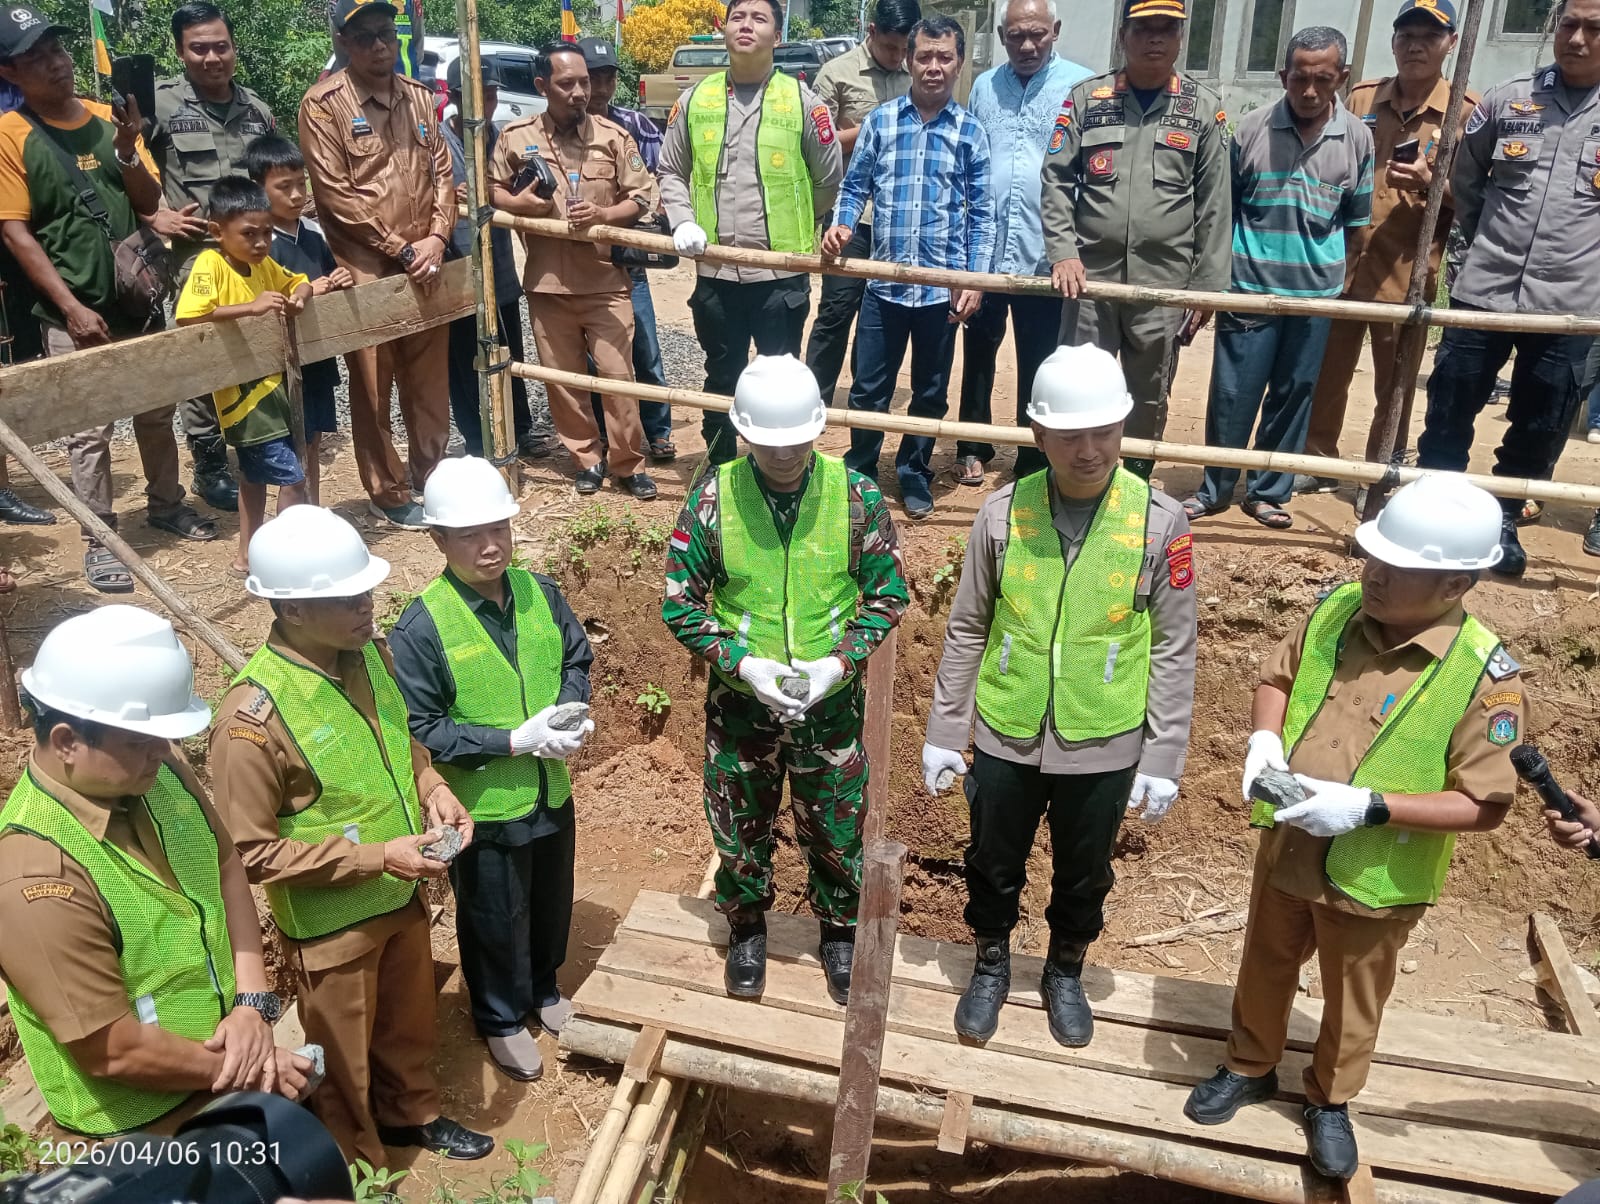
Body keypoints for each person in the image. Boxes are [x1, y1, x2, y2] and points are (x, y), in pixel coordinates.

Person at [1183, 474, 1524, 1181]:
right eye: (1372, 558)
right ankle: (1249, 1064)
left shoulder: (1484, 677)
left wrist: (1370, 806)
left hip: (1377, 870)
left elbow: (1486, 804)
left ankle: (1330, 1099)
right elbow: (1277, 679)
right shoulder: (1338, 609)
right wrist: (1264, 740)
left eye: (1396, 568)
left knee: (1354, 992)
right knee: (1266, 960)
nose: (1373, 575)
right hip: (1293, 837)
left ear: (1455, 584)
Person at [922, 344, 1196, 1048]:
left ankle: (1065, 970)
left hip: (1104, 736)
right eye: (1070, 435)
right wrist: (946, 730)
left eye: (1104, 431)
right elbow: (968, 627)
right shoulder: (1001, 515)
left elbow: (1173, 645)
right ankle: (991, 963)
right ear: (1039, 435)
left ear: (1124, 427)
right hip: (1006, 727)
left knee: (1084, 872)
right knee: (992, 862)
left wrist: (1163, 754)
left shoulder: (1159, 522)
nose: (1089, 450)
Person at [210, 505, 493, 1165]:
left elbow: (399, 741)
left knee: (407, 1023)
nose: (368, 606)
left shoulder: (369, 655)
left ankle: (412, 1113)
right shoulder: (252, 720)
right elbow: (253, 852)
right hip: (332, 925)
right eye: (348, 598)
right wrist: (377, 857)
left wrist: (432, 786)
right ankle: (357, 1163)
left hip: (400, 892)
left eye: (366, 590)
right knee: (342, 1064)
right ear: (293, 609)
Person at [0, 606, 312, 1138]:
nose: (161, 752)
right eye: (139, 742)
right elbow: (111, 1049)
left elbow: (225, 866)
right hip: (140, 1126)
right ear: (68, 742)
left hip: (226, 1069)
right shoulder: (34, 875)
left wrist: (251, 1003)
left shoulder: (159, 771)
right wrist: (251, 1067)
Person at [662, 355, 908, 1003]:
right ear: (743, 432)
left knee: (835, 826)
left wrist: (837, 664)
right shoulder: (713, 499)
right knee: (739, 822)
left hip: (830, 708)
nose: (783, 453)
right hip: (742, 709)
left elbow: (886, 596)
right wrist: (744, 664)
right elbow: (680, 603)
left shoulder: (856, 498)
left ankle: (838, 933)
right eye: (767, 442)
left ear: (819, 428)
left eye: (796, 439)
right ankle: (747, 927)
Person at [0, 6, 220, 595]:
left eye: (58, 50)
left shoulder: (108, 118)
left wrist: (126, 148)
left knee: (155, 411)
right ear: (10, 72)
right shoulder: (9, 136)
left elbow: (147, 203)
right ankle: (100, 538)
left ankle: (167, 504)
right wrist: (70, 308)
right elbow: (16, 233)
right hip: (71, 310)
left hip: (135, 297)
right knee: (89, 431)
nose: (57, 63)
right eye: (37, 57)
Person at [390, 457, 594, 1083]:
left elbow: (576, 658)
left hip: (550, 790)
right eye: (470, 535)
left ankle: (544, 987)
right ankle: (501, 1016)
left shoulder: (539, 593)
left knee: (551, 897)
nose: (490, 547)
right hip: (482, 806)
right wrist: (512, 740)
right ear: (438, 540)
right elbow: (423, 726)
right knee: (493, 914)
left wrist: (567, 713)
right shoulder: (422, 626)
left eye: (499, 529)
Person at [1416, 0, 1600, 575]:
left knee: (1541, 422)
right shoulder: (1508, 99)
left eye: (1594, 29)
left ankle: (1503, 519)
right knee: (1449, 404)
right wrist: (1489, 239)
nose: (1577, 39)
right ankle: (1438, 510)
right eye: (1568, 25)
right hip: (1486, 289)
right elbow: (1466, 178)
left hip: (1571, 304)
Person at [1185, 27, 1374, 531]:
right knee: (1232, 394)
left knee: (1294, 394)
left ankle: (1268, 491)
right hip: (1249, 288)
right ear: (1282, 75)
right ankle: (1215, 489)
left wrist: (1337, 285)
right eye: (1299, 79)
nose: (1309, 91)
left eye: (1322, 80)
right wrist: (1216, 282)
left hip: (1315, 297)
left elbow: (1357, 225)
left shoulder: (1358, 138)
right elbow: (1223, 213)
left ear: (1342, 78)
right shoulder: (1250, 130)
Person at [1041, 0, 1230, 481]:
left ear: (1181, 38)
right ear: (1123, 35)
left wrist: (1206, 286)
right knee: (1082, 384)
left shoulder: (1202, 108)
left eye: (1167, 28)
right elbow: (1056, 179)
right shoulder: (1088, 99)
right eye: (1144, 28)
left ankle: (1136, 481)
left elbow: (1214, 202)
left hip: (1162, 284)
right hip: (1090, 282)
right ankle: (1078, 483)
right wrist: (1063, 252)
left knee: (1149, 392)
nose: (1155, 38)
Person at [1299, 0, 1476, 491]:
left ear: (1451, 43)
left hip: (1406, 274)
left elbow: (1476, 200)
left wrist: (1430, 183)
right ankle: (1319, 464)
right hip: (1343, 264)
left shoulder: (1465, 111)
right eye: (1406, 36)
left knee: (1394, 383)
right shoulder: (1361, 99)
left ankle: (1381, 473)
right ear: (1393, 42)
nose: (1415, 46)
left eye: (1429, 36)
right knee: (1327, 374)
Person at [659, 0, 843, 465]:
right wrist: (682, 219)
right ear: (724, 29)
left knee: (780, 381)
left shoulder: (804, 104)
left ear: (777, 37)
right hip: (717, 274)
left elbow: (827, 181)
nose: (746, 26)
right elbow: (671, 170)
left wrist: (797, 224)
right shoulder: (695, 100)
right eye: (738, 17)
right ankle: (721, 468)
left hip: (780, 277)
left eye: (759, 19)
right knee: (721, 377)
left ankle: (781, 470)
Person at [826, 15, 992, 521]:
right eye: (924, 57)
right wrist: (842, 224)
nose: (933, 67)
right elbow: (854, 187)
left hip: (940, 293)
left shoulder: (970, 132)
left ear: (958, 64)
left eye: (944, 57)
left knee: (930, 391)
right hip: (884, 287)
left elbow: (983, 214)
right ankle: (861, 470)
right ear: (910, 60)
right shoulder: (881, 122)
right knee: (868, 387)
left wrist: (973, 279)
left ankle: (914, 471)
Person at [300, 0, 454, 530]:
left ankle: (432, 477)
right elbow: (335, 194)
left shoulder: (419, 97)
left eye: (386, 33)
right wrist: (402, 249)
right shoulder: (324, 106)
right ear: (343, 42)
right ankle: (387, 490)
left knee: (429, 379)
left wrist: (437, 238)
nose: (379, 45)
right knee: (373, 383)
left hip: (427, 261)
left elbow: (443, 174)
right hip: (366, 265)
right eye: (364, 36)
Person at [490, 42, 658, 500]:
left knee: (617, 377)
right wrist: (517, 203)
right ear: (542, 86)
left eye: (584, 82)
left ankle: (629, 464)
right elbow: (490, 189)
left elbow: (643, 196)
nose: (580, 92)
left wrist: (604, 215)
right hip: (547, 285)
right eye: (567, 84)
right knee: (563, 381)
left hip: (605, 283)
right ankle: (587, 460)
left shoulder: (613, 136)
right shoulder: (515, 137)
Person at [955, 0, 1091, 487]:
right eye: (1016, 36)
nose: (1027, 45)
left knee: (1040, 359)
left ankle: (1033, 454)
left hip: (1047, 253)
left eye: (1037, 34)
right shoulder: (985, 87)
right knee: (978, 351)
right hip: (988, 250)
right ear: (1001, 36)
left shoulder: (1081, 87)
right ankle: (972, 445)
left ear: (1056, 30)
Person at [150, 0, 277, 514]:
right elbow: (122, 168)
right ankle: (209, 465)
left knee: (255, 345)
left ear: (234, 48)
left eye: (220, 47)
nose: (211, 58)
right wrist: (154, 215)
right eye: (198, 48)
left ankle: (255, 441)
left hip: (253, 256)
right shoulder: (159, 106)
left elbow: (273, 176)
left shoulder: (258, 111)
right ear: (181, 52)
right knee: (206, 355)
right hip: (193, 257)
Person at [175, 176, 313, 576]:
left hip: (272, 390)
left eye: (267, 233)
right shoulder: (211, 264)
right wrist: (251, 309)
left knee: (253, 479)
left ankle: (248, 557)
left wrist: (299, 297)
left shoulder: (263, 265)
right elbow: (190, 314)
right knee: (293, 479)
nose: (260, 242)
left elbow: (298, 281)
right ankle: (285, 559)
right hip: (244, 401)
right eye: (249, 234)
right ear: (218, 232)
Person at [803, 0, 918, 405]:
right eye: (890, 46)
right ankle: (812, 400)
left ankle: (865, 401)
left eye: (905, 48)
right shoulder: (836, 74)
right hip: (849, 216)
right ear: (871, 31)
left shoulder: (917, 74)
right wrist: (872, 125)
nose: (898, 56)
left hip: (897, 217)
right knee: (838, 308)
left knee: (880, 312)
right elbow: (817, 143)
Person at [580, 35, 676, 464]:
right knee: (593, 355)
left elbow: (666, 172)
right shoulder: (563, 131)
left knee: (645, 348)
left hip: (628, 260)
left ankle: (658, 431)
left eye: (607, 78)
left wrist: (657, 209)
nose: (600, 88)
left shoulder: (635, 125)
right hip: (583, 262)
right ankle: (604, 435)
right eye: (592, 78)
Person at [244, 133, 352, 506]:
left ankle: (312, 516)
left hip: (316, 359)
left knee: (311, 443)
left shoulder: (313, 233)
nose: (296, 195)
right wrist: (309, 292)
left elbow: (328, 277)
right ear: (258, 188)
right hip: (278, 368)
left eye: (300, 184)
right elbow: (264, 303)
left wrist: (339, 280)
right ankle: (288, 530)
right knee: (286, 456)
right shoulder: (259, 245)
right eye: (283, 187)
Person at [441, 56, 541, 461]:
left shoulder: (501, 139)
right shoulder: (439, 144)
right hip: (458, 267)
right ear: (455, 97)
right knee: (465, 357)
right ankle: (476, 436)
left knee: (509, 349)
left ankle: (519, 428)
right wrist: (449, 195)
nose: (486, 103)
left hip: (499, 269)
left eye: (492, 94)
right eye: (477, 95)